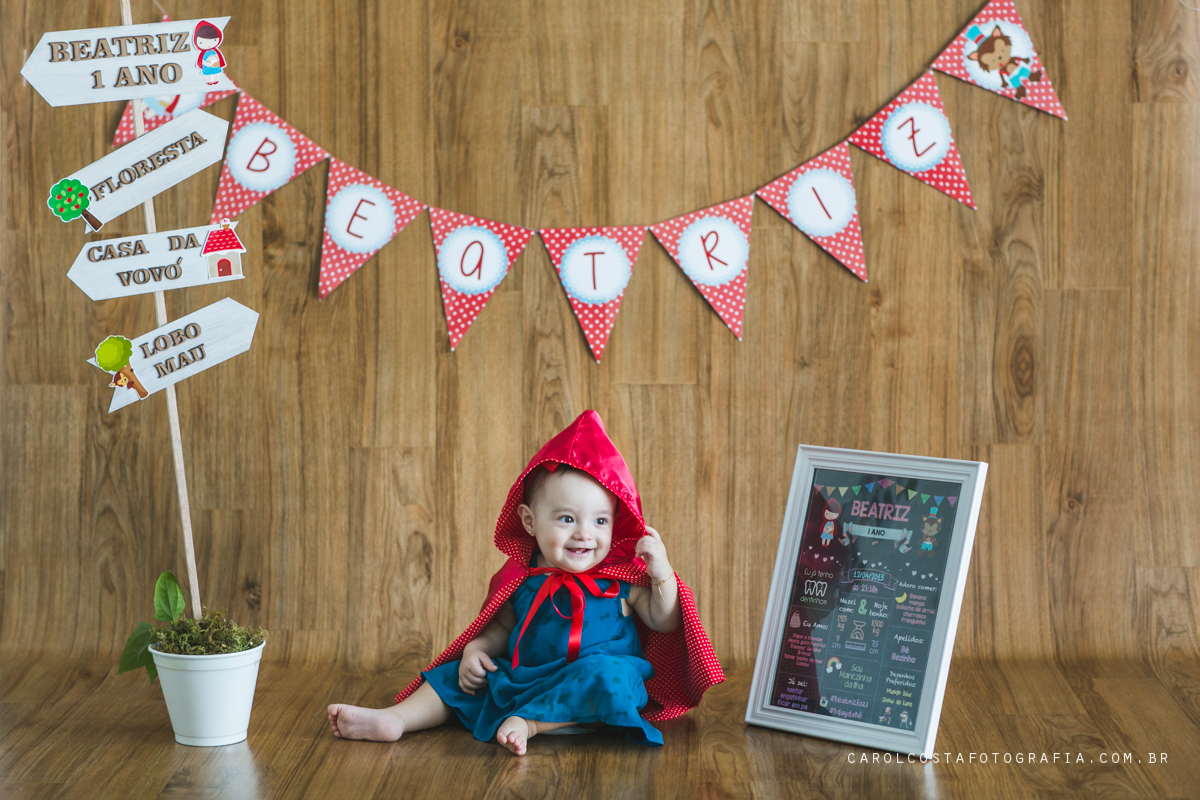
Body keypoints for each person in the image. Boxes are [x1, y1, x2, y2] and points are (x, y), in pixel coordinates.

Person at [327, 410, 723, 754]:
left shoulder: (622, 582)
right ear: (531, 522)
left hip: (591, 689)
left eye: (600, 521)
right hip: (527, 681)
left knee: (611, 676)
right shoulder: (523, 577)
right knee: (453, 678)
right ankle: (395, 720)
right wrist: (475, 653)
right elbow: (500, 630)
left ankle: (534, 725)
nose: (585, 533)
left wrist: (662, 577)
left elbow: (665, 621)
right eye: (567, 518)